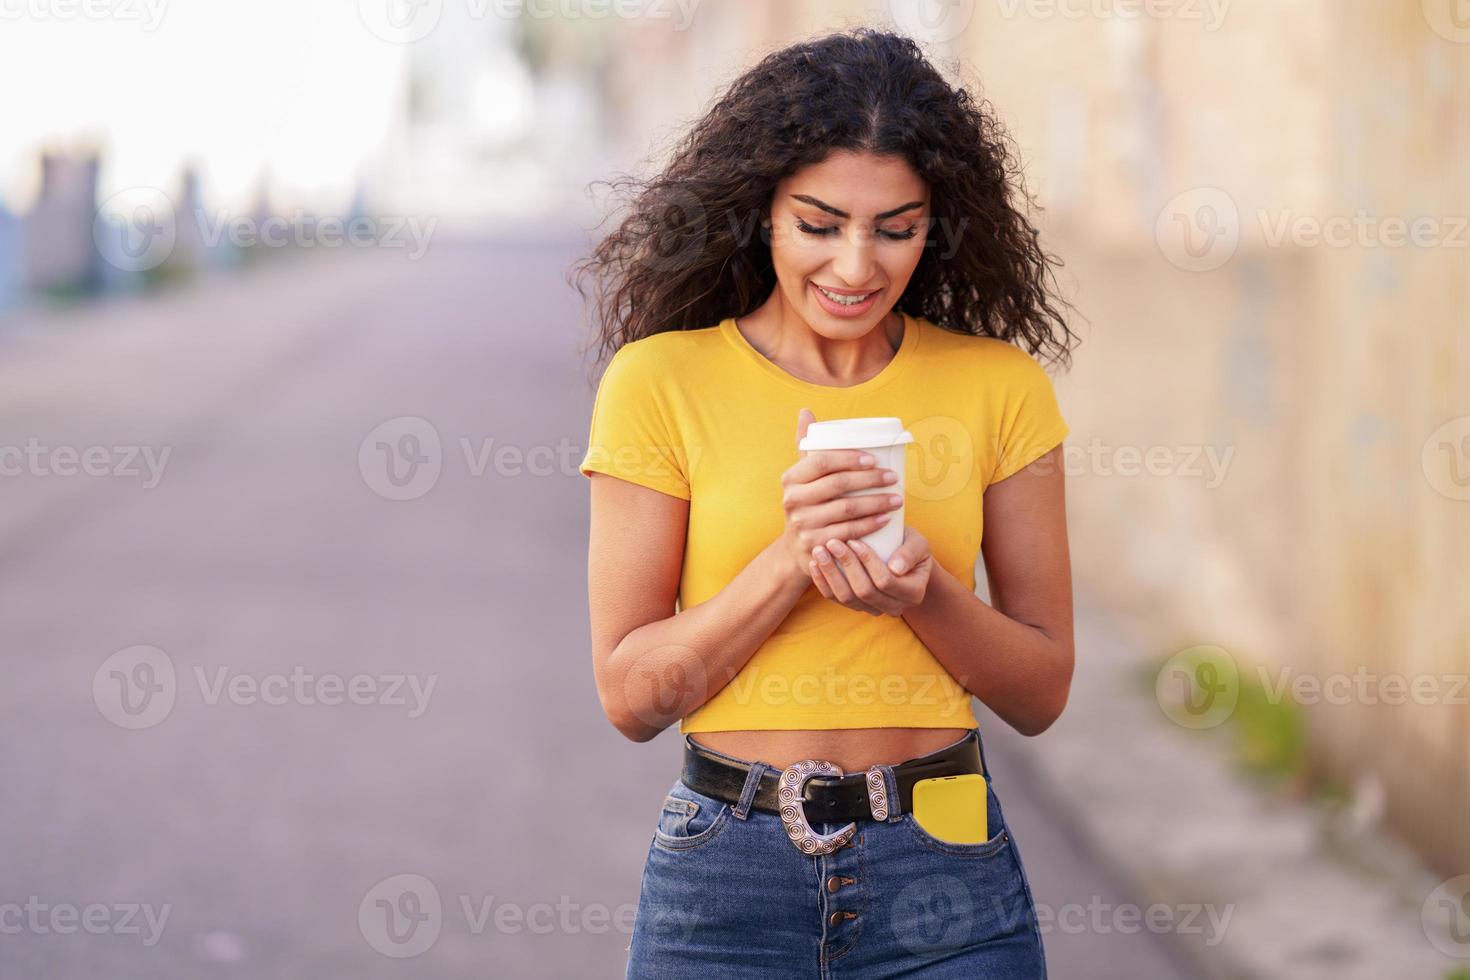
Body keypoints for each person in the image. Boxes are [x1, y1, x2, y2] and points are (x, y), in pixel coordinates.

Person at [572, 26, 1079, 979]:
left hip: (947, 854)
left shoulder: (999, 388)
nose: (856, 268)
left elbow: (1041, 692)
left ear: (938, 223)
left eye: (897, 228)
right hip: (726, 877)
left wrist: (925, 596)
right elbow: (633, 700)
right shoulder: (661, 384)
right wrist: (791, 560)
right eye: (819, 224)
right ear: (757, 209)